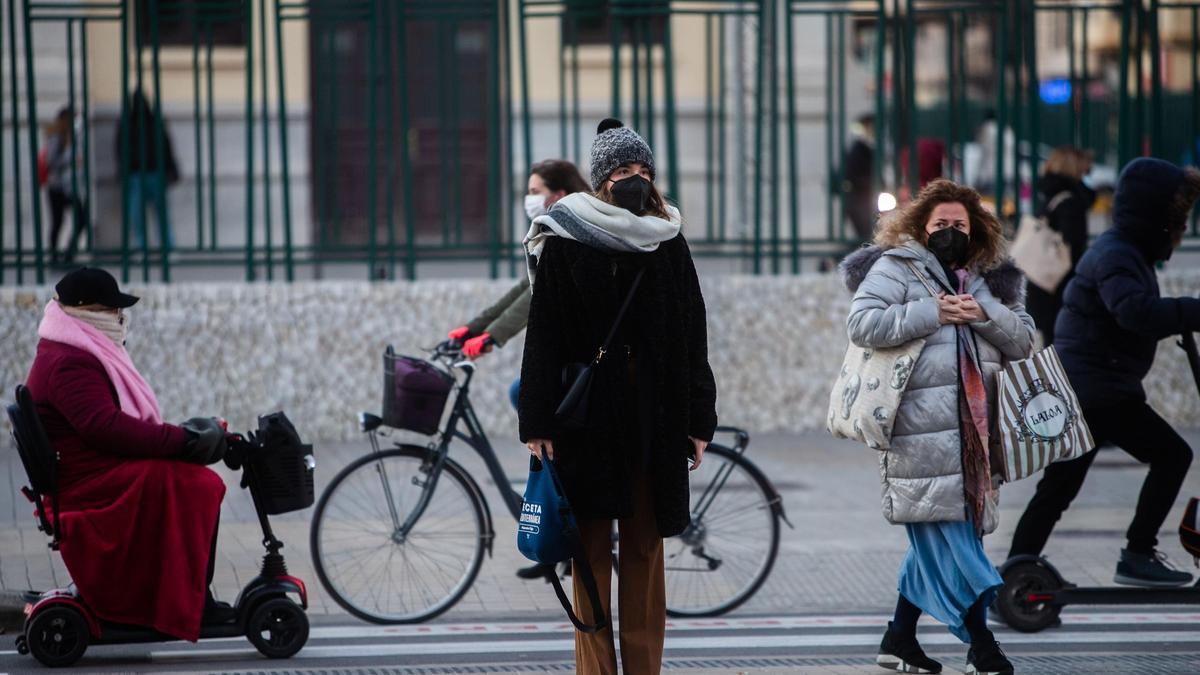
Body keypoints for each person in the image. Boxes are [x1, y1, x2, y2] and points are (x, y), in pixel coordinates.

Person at [519, 118, 717, 675]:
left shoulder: (668, 240)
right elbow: (545, 337)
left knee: (644, 551)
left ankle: (644, 669)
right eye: (621, 172)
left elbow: (692, 333)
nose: (634, 180)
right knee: (586, 553)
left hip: (655, 416)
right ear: (600, 181)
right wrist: (537, 422)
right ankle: (596, 669)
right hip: (586, 421)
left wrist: (699, 419)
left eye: (641, 170)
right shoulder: (565, 240)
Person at [841, 180, 1034, 675]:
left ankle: (899, 638)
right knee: (954, 541)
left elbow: (1025, 340)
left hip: (976, 433)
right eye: (941, 225)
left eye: (959, 226)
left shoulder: (991, 280)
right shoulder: (896, 267)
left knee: (942, 539)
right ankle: (983, 648)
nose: (950, 233)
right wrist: (933, 311)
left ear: (976, 232)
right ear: (921, 228)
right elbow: (862, 323)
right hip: (918, 434)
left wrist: (982, 313)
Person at [1007, 158, 1200, 587]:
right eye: (1178, 220)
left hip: (1091, 385)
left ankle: (1015, 573)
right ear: (1155, 217)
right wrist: (1192, 311)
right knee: (1173, 456)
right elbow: (1134, 312)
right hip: (1098, 388)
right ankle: (1136, 553)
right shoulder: (1117, 254)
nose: (1182, 229)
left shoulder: (1126, 251)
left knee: (1058, 488)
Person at [24, 267, 233, 641]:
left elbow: (108, 426)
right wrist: (179, 440)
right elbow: (104, 427)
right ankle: (193, 603)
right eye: (112, 310)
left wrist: (177, 438)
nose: (119, 319)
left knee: (195, 482)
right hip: (91, 484)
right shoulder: (71, 361)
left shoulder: (68, 348)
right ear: (88, 311)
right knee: (200, 485)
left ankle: (191, 596)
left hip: (94, 471)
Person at [445, 159, 591, 581]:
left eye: (535, 190)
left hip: (578, 356)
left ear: (558, 193)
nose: (529, 199)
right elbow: (524, 287)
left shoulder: (571, 229)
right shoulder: (552, 227)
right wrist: (470, 329)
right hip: (567, 355)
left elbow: (537, 297)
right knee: (523, 398)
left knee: (528, 401)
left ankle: (565, 513)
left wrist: (490, 338)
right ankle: (559, 522)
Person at [1025, 147, 1096, 346]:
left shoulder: (1050, 195)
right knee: (1063, 346)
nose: (1087, 172)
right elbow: (1073, 243)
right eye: (1083, 169)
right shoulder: (1070, 202)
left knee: (1052, 344)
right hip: (1060, 286)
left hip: (1044, 282)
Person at [117, 89, 179, 251]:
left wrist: (171, 167)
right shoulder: (130, 123)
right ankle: (150, 247)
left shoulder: (150, 122)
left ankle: (164, 247)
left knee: (155, 215)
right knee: (143, 215)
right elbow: (120, 150)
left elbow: (166, 146)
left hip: (149, 172)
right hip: (140, 173)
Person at [43, 106, 89, 265]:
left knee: (82, 218)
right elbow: (51, 162)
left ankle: (69, 252)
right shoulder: (55, 137)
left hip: (70, 187)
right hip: (57, 187)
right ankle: (54, 255)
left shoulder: (74, 136)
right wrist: (70, 160)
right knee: (57, 222)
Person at [843, 113, 877, 245]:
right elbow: (854, 176)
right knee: (866, 236)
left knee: (869, 236)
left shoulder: (870, 147)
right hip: (860, 200)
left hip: (866, 199)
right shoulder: (859, 149)